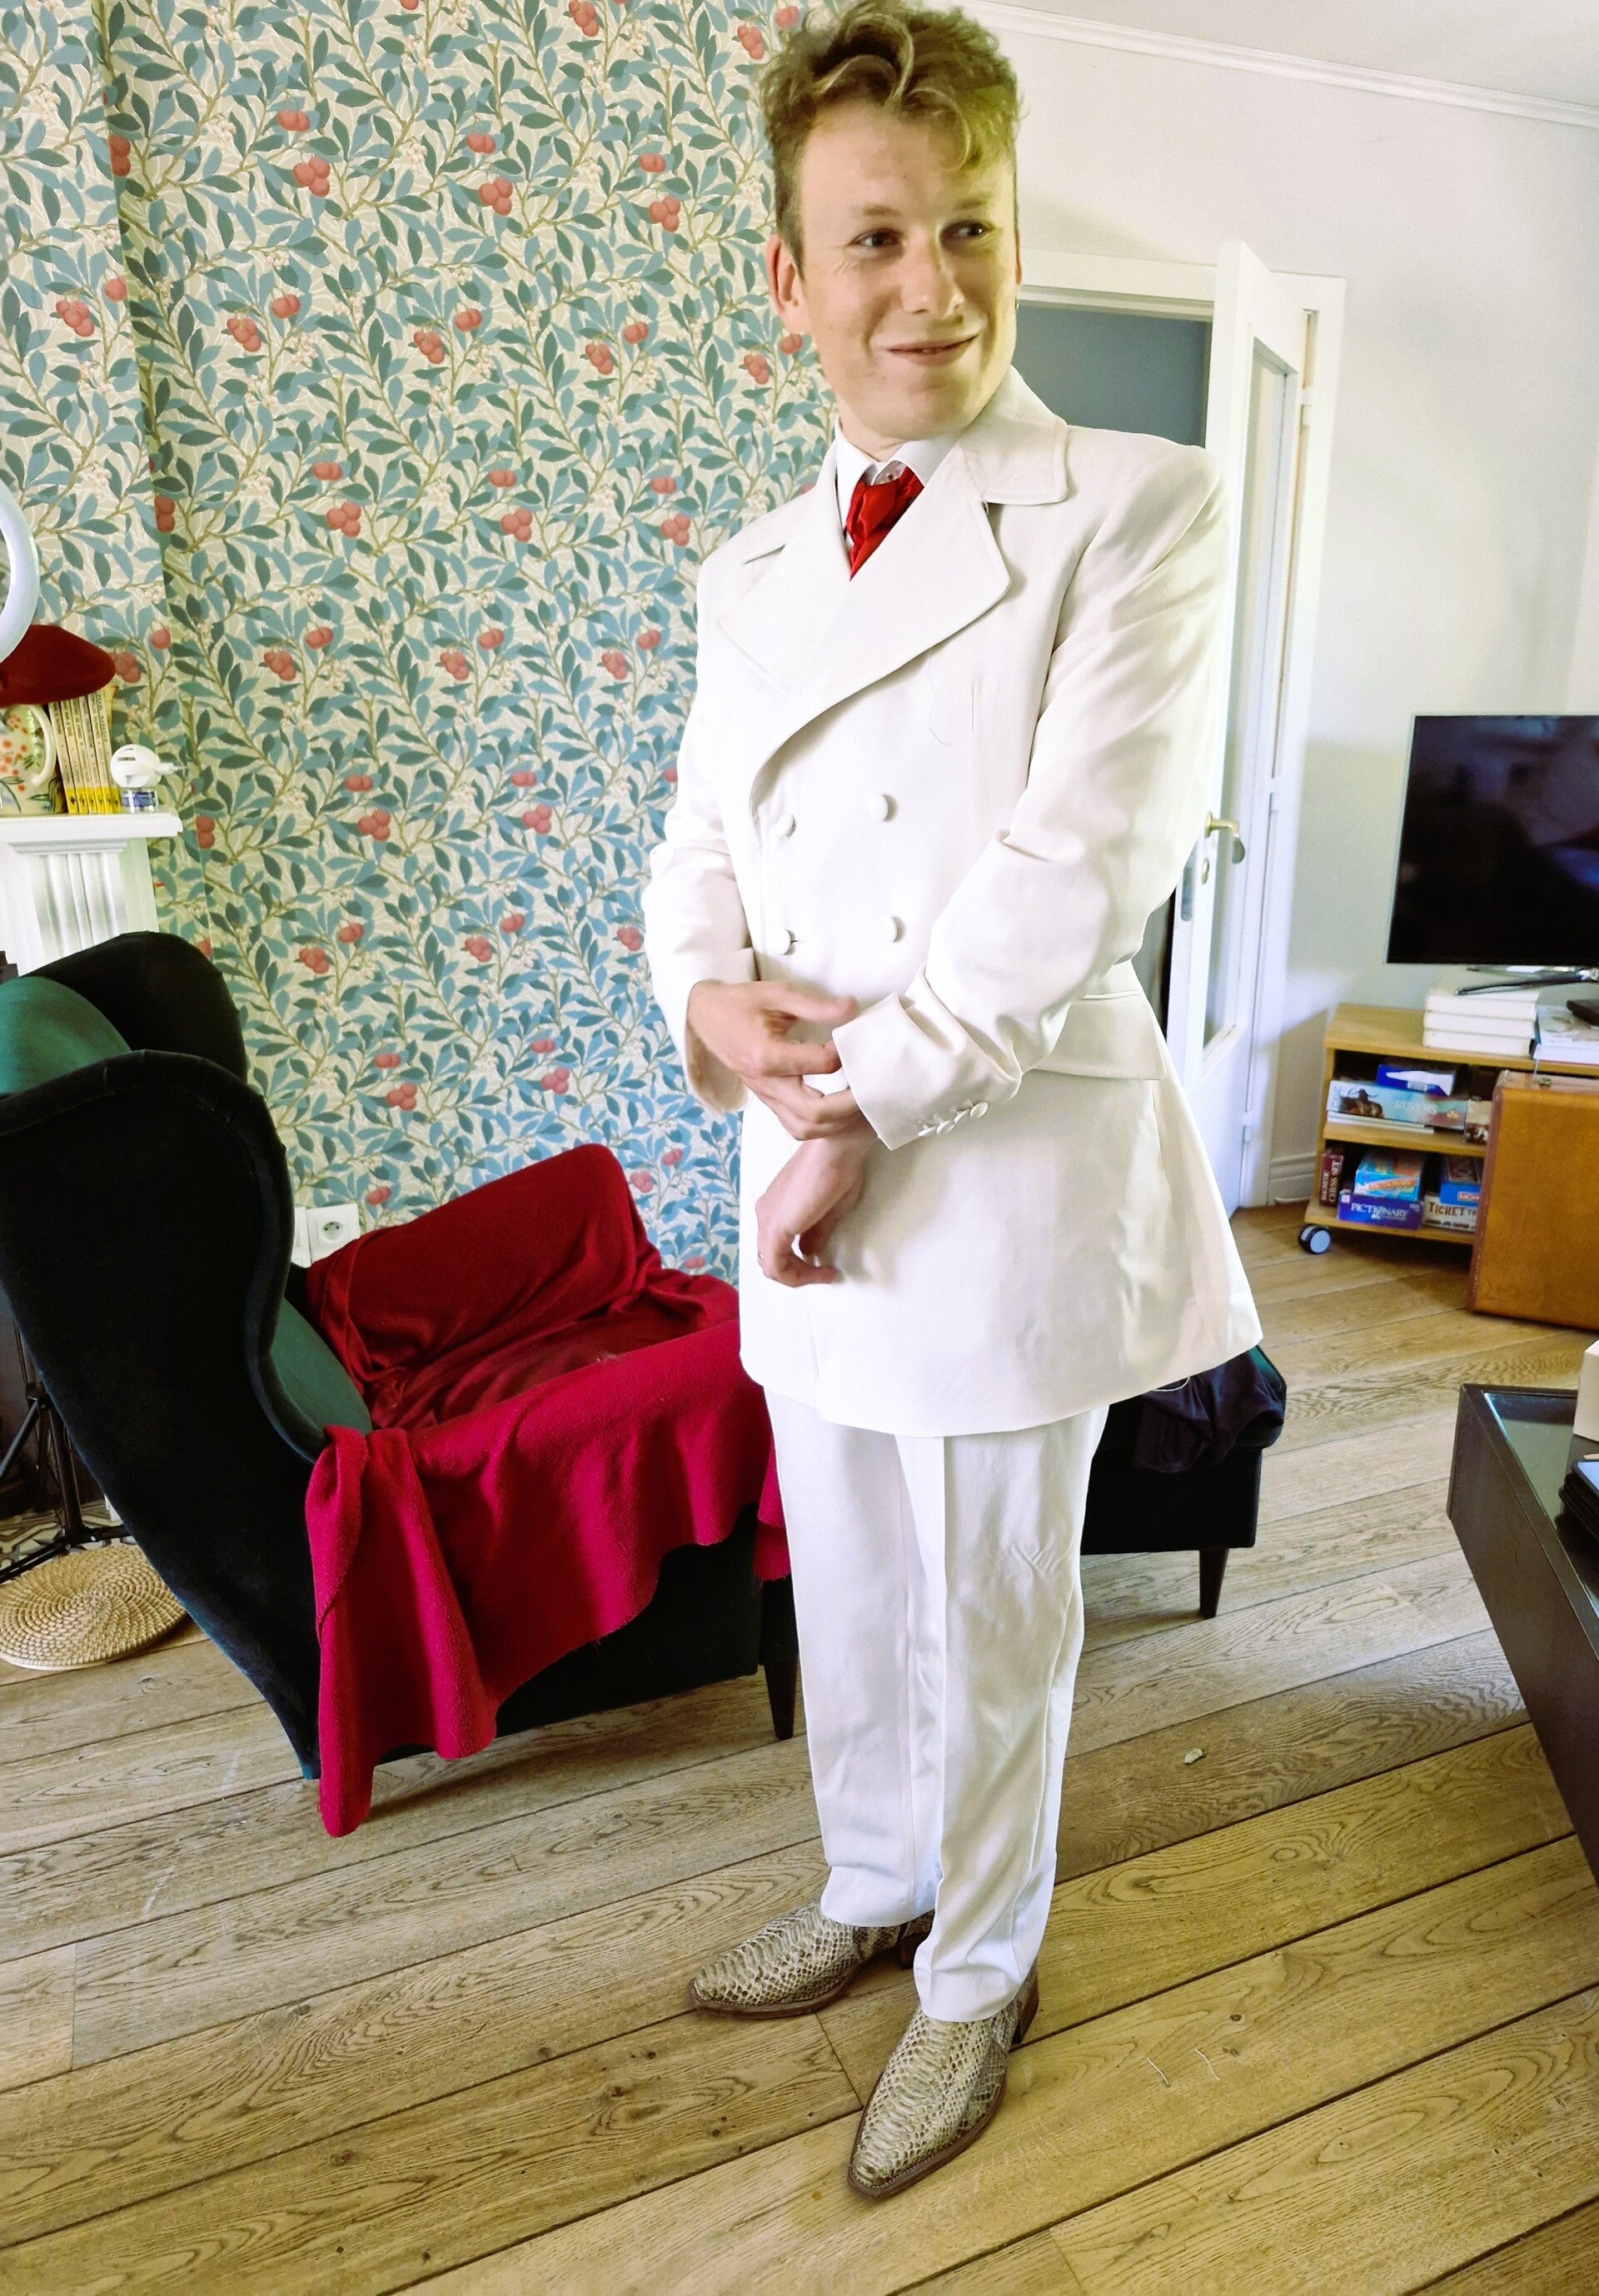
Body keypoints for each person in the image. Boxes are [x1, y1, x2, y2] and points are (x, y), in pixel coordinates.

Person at [642, 0, 1260, 2199]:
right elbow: (697, 844)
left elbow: (1071, 878)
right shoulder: (746, 571)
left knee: (999, 1610)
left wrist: (840, 1120)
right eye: (877, 238)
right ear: (791, 277)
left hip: (988, 1159)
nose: (932, 287)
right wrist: (702, 1000)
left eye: (970, 226)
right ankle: (874, 1881)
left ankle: (981, 1972)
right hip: (801, 1157)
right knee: (851, 1576)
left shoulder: (1141, 507)